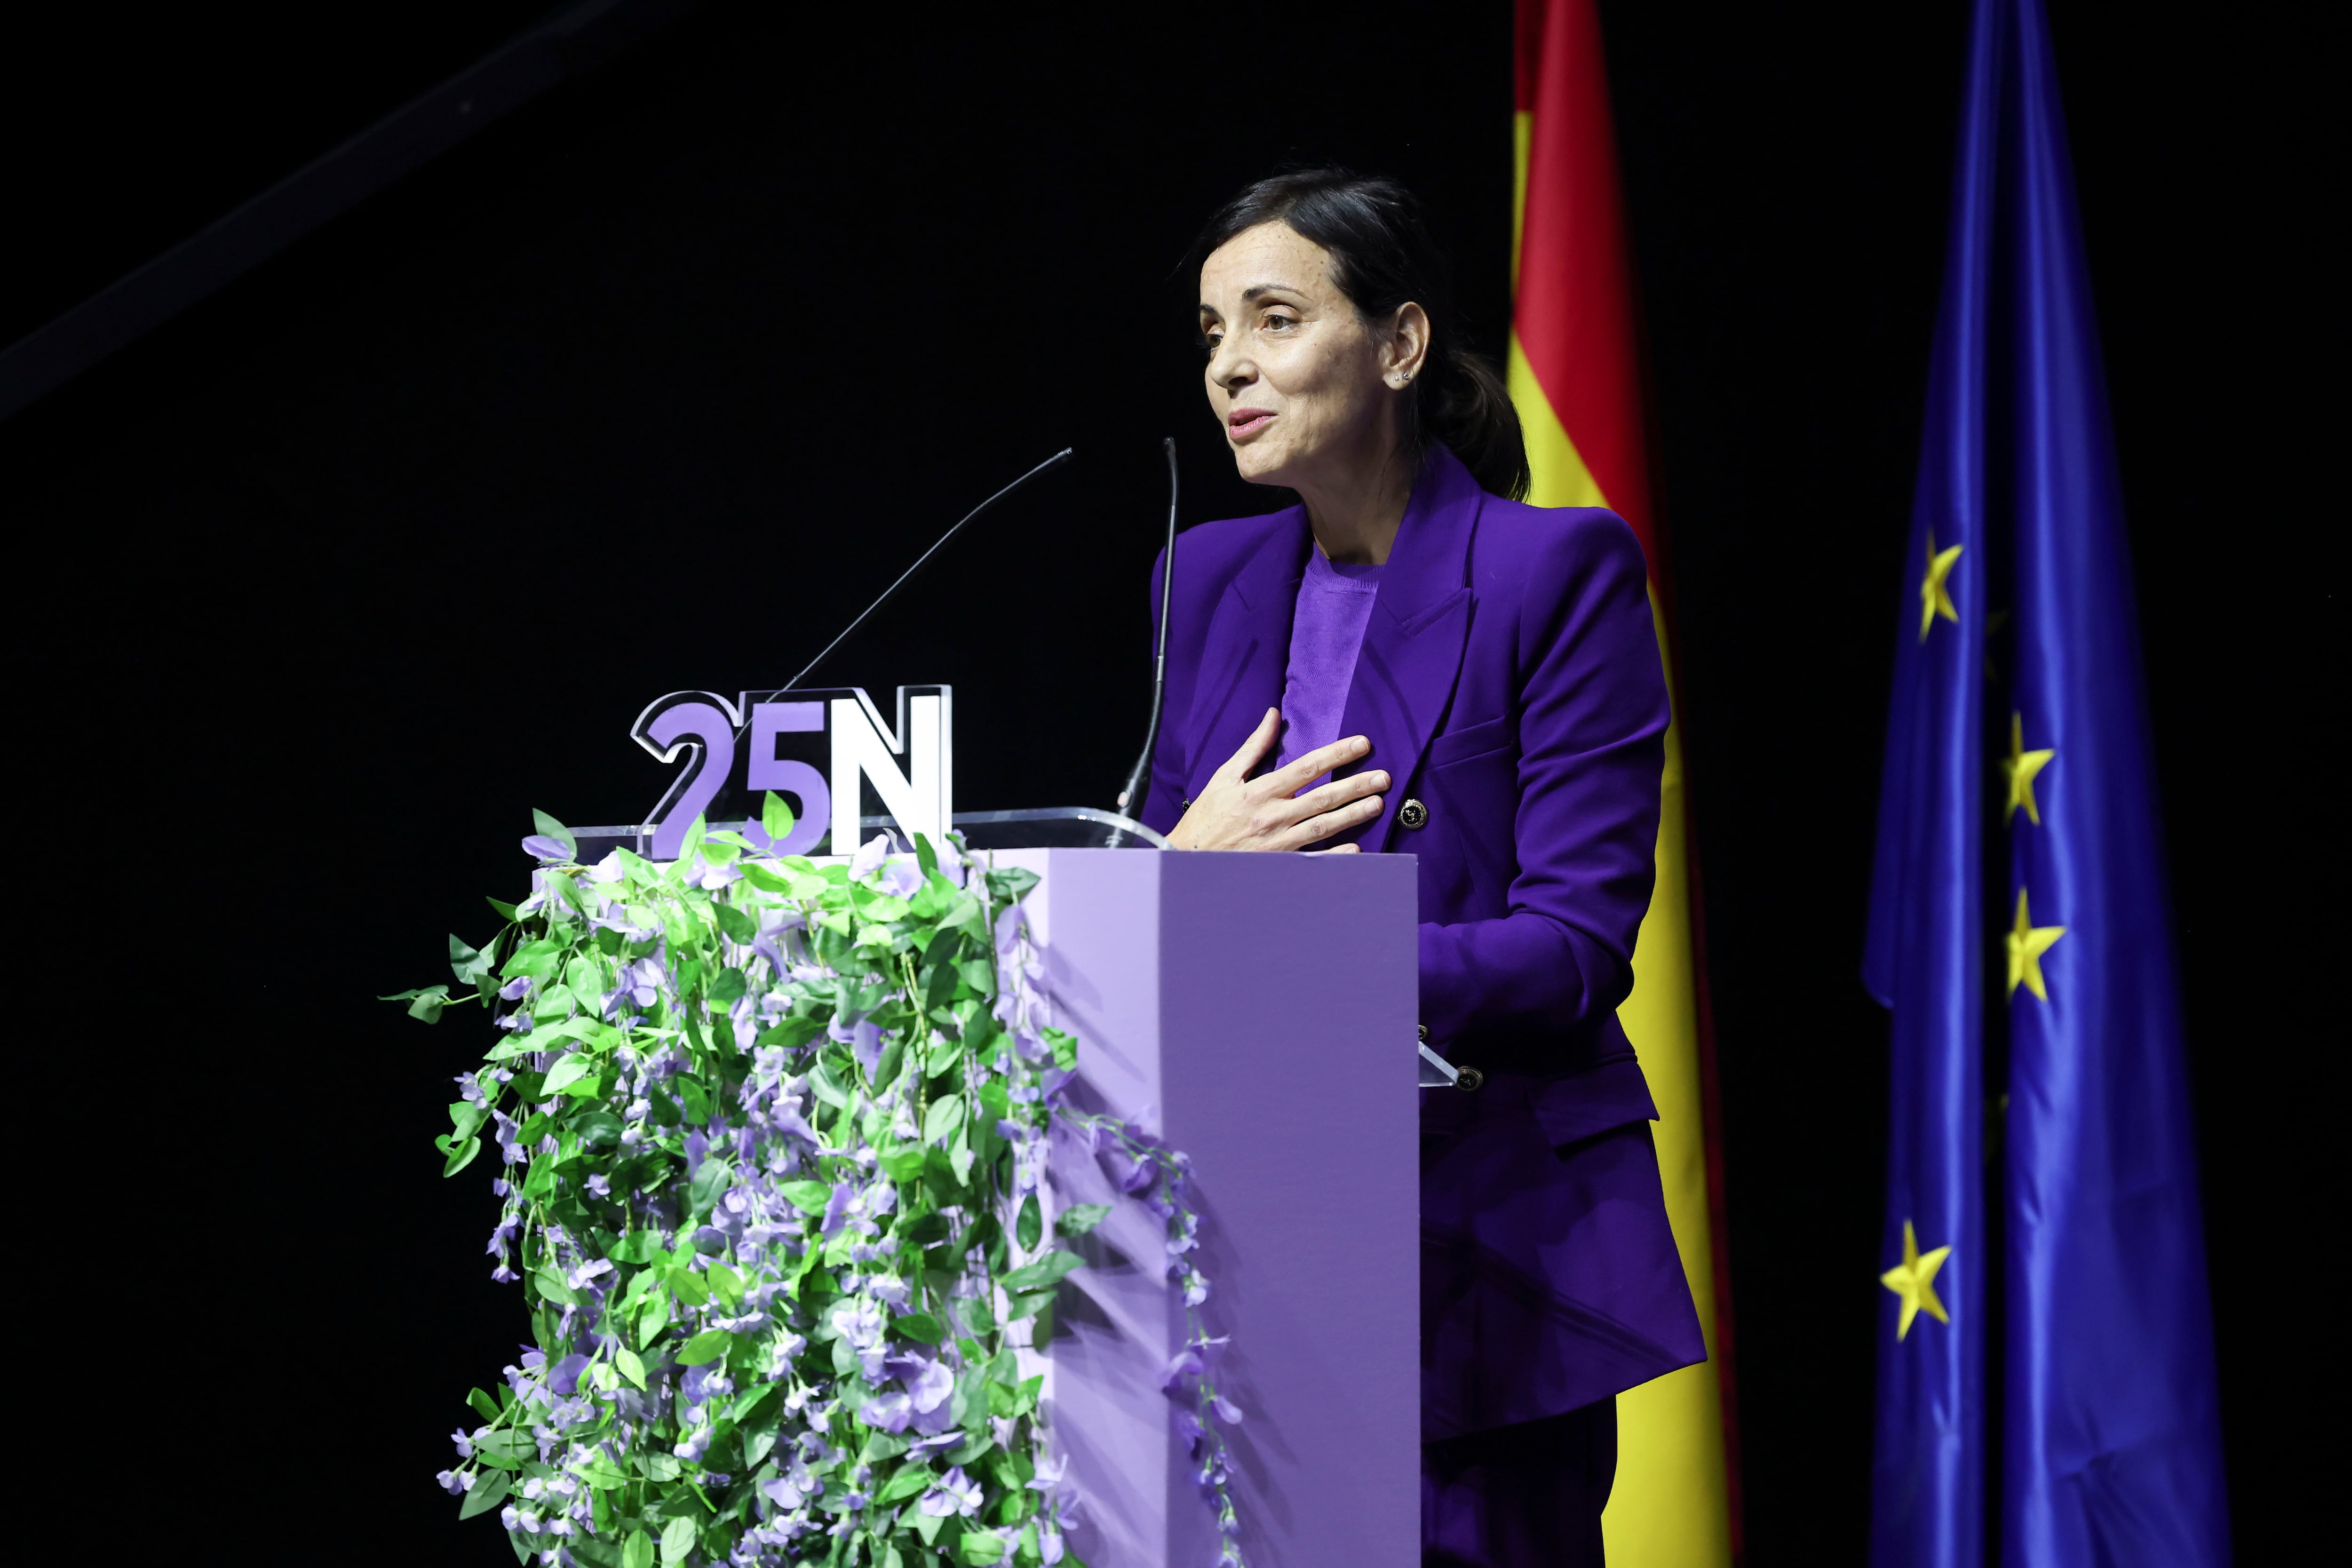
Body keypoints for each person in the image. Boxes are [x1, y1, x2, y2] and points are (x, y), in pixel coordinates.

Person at [1137, 170, 1706, 1567]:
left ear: (1399, 345)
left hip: (1477, 1255)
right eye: (1213, 333)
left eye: (1274, 320)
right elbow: (1155, 890)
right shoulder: (1203, 578)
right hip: (1239, 1259)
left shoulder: (1554, 573)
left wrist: (1270, 940)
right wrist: (1178, 886)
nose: (1231, 368)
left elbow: (1572, 948)